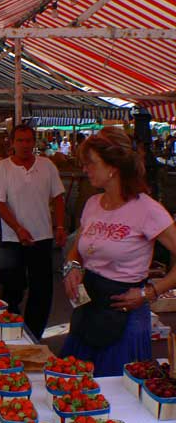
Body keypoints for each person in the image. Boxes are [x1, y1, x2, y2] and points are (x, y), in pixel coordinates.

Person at [62, 128, 176, 376]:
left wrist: (150, 292)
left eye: (91, 163)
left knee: (117, 398)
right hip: (87, 312)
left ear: (112, 167)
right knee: (76, 392)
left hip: (124, 316)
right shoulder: (93, 204)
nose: (85, 169)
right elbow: (78, 249)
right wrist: (71, 267)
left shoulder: (147, 210)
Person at [0, 124, 66, 341]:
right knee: (12, 288)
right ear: (12, 143)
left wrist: (59, 226)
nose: (25, 145)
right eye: (20, 140)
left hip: (42, 237)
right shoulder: (2, 168)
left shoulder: (47, 165)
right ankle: (12, 333)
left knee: (42, 290)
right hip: (13, 239)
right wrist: (18, 228)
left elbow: (58, 197)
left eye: (28, 140)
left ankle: (34, 335)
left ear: (34, 142)